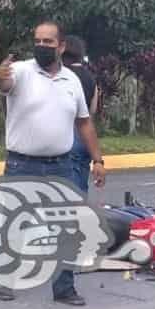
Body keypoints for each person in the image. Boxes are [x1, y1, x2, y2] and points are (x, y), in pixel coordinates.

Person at [0, 20, 107, 306]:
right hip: (21, 164)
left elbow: (84, 123)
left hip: (61, 165)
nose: (42, 46)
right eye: (38, 41)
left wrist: (98, 160)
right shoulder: (21, 71)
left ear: (61, 46)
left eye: (48, 42)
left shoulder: (72, 82)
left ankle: (64, 289)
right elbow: (4, 82)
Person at [62, 35, 100, 193]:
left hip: (67, 134)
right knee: (81, 185)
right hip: (86, 138)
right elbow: (92, 110)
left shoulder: (62, 76)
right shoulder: (90, 78)